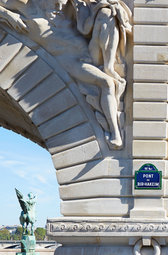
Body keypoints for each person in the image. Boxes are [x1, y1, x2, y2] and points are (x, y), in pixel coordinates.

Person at [0, 0, 130, 149]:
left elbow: (85, 28)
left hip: (90, 53)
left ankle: (108, 66)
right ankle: (115, 132)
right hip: (72, 62)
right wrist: (8, 16)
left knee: (107, 14)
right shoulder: (28, 8)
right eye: (56, 2)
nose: (59, 5)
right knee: (106, 83)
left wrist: (102, 7)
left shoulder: (70, 10)